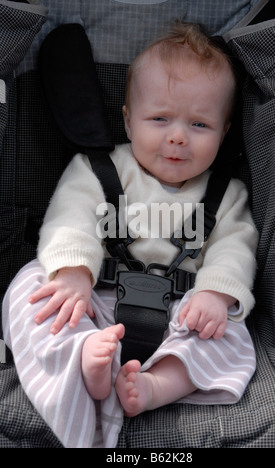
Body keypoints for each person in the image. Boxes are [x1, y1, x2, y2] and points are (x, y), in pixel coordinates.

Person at [2, 23, 258, 448]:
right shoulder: (99, 169)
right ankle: (83, 357)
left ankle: (157, 385)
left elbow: (235, 249)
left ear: (225, 131)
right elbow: (71, 217)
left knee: (232, 334)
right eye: (160, 119)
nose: (177, 136)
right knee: (29, 287)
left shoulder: (227, 194)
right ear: (127, 118)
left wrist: (215, 295)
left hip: (183, 314)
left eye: (199, 124)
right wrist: (73, 274)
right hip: (93, 303)